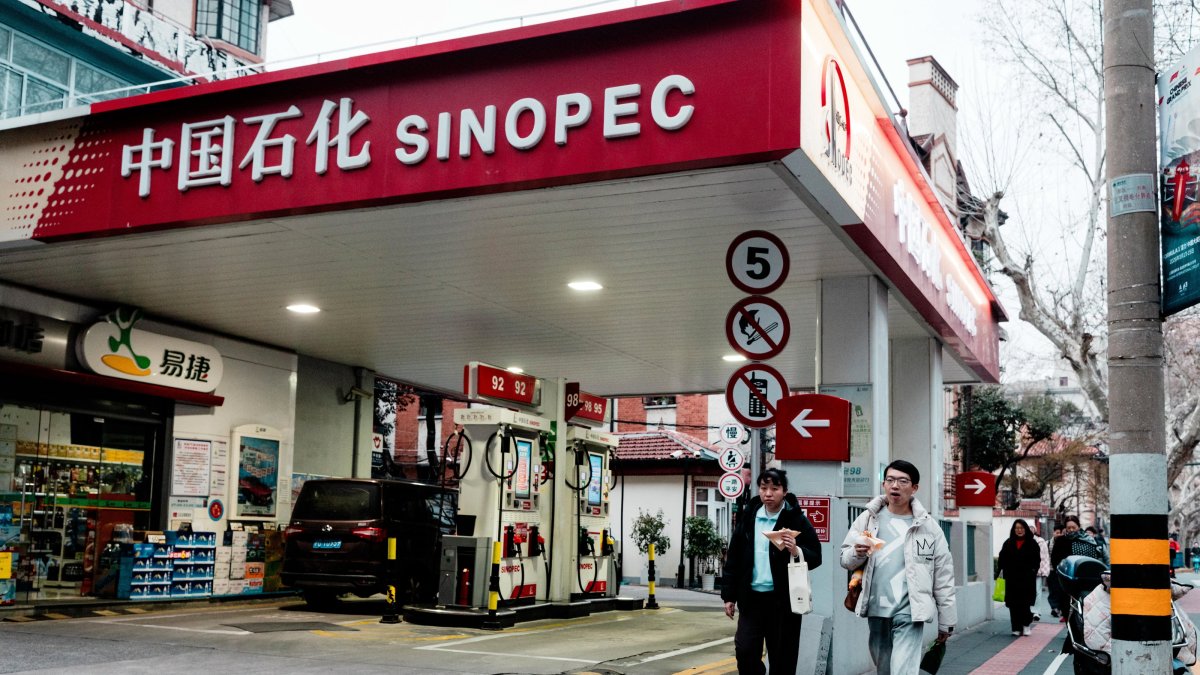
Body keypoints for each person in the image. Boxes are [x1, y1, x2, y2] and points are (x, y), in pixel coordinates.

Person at [840, 460, 956, 675]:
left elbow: (943, 575)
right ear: (884, 484)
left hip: (910, 611)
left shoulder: (928, 527)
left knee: (902, 670)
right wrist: (857, 552)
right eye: (890, 480)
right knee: (884, 670)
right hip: (876, 609)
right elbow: (845, 559)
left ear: (914, 488)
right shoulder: (868, 519)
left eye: (903, 481)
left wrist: (946, 621)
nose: (895, 486)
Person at [720, 468, 821, 674]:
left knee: (782, 657)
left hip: (783, 602)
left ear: (784, 491)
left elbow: (816, 556)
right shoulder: (749, 517)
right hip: (751, 599)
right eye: (764, 488)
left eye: (774, 488)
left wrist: (795, 549)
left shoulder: (795, 518)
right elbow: (734, 558)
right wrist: (729, 596)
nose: (768, 493)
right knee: (745, 651)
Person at [1051, 516, 1107, 623]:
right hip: (1066, 579)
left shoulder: (1087, 540)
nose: (1071, 530)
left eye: (1074, 527)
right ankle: (1070, 629)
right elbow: (1054, 559)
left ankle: (1077, 629)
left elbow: (1092, 558)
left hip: (1083, 579)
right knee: (1066, 606)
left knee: (1082, 606)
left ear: (1079, 527)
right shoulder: (1060, 541)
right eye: (1069, 528)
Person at [996, 519, 1041, 636]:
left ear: (1025, 529)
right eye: (1017, 528)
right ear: (1013, 530)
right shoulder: (1008, 543)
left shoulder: (1032, 543)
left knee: (1025, 604)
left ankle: (1026, 625)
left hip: (1026, 579)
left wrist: (1032, 571)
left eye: (1021, 528)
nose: (1019, 530)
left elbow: (1036, 560)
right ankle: (1015, 627)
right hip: (1011, 579)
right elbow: (1001, 559)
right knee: (1013, 604)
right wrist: (1000, 572)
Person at [1031, 523, 1050, 622]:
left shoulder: (1040, 541)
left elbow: (1045, 558)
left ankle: (1036, 611)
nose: (1030, 530)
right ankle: (1029, 610)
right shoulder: (1021, 540)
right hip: (1025, 572)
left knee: (1037, 591)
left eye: (1031, 528)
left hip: (1037, 571)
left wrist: (1044, 571)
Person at [1047, 525, 1064, 617]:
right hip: (1051, 570)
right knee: (1053, 590)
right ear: (1053, 533)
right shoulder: (1048, 543)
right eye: (1057, 533)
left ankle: (1059, 608)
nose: (1059, 535)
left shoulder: (1064, 543)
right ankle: (1054, 607)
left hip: (1062, 571)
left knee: (1061, 590)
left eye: (1060, 533)